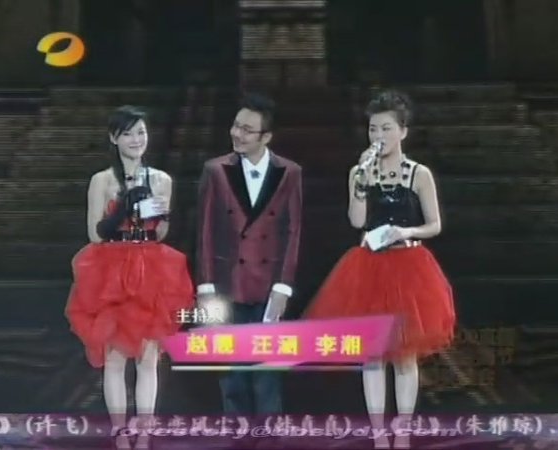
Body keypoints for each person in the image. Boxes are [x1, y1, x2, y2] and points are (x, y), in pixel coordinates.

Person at [304, 90, 456, 449]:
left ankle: (402, 433)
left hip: (409, 267)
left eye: (386, 129)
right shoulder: (360, 172)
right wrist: (359, 184)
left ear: (403, 131)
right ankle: (378, 435)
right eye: (373, 129)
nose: (378, 136)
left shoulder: (418, 174)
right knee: (371, 356)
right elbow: (356, 221)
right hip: (368, 266)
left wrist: (407, 232)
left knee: (404, 356)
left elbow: (434, 224)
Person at [65, 105, 194, 450]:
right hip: (111, 269)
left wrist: (157, 211)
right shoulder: (101, 180)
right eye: (128, 134)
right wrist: (122, 207)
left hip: (150, 268)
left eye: (141, 132)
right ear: (114, 138)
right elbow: (94, 234)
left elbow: (161, 233)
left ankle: (145, 436)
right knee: (114, 357)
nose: (137, 140)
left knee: (149, 357)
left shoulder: (162, 179)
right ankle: (121, 435)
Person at [195, 93, 302, 415]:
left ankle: (270, 434)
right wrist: (206, 288)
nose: (237, 134)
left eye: (246, 129)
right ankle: (237, 434)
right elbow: (205, 232)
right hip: (227, 284)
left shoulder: (289, 172)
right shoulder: (216, 170)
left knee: (267, 373)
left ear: (266, 137)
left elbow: (292, 232)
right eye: (236, 126)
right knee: (232, 375)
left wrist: (283, 286)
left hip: (269, 286)